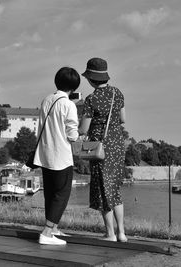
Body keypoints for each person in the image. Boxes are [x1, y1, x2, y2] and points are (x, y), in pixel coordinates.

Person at [79, 57, 127, 242]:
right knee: (114, 187)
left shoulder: (92, 99)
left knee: (102, 188)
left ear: (90, 79)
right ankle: (122, 232)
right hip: (117, 144)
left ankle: (110, 234)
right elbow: (123, 119)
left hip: (100, 146)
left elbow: (83, 129)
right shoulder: (118, 93)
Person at [33, 67, 80, 245]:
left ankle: (53, 229)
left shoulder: (46, 100)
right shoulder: (69, 105)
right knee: (62, 193)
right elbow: (72, 135)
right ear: (74, 87)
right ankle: (46, 233)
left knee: (50, 193)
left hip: (45, 153)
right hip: (61, 155)